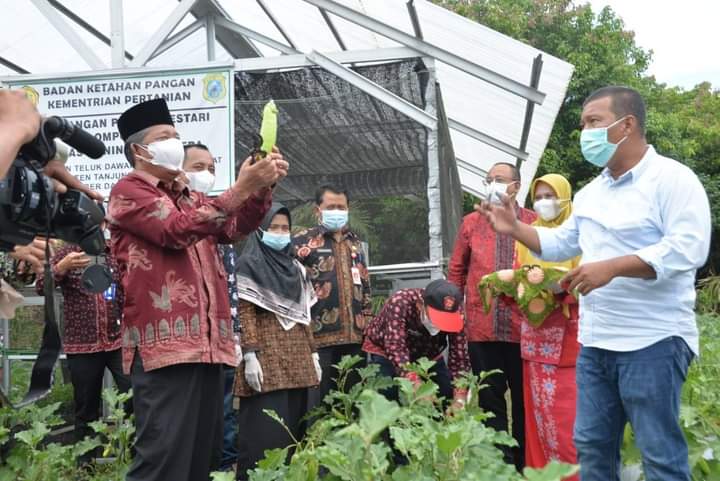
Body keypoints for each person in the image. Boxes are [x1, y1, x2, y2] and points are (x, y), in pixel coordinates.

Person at [482, 86, 711, 481]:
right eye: (583, 123)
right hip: (597, 343)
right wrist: (516, 228)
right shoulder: (592, 193)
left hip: (653, 340)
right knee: (591, 447)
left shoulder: (672, 179)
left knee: (659, 452)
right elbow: (559, 243)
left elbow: (688, 248)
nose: (585, 132)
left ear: (627, 125)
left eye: (594, 122)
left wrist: (612, 267)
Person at [108, 98, 287, 481]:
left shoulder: (191, 197)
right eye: (164, 137)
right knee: (162, 459)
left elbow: (233, 229)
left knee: (201, 460)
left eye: (176, 135)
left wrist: (260, 189)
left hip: (208, 345)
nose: (174, 141)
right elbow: (175, 230)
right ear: (139, 150)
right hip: (165, 351)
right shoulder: (129, 190)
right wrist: (241, 187)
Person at [447, 162, 535, 470]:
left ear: (516, 187)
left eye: (499, 179)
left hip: (525, 328)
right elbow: (457, 269)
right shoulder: (471, 222)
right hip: (482, 328)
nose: (492, 184)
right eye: (489, 179)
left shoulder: (532, 223)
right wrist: (454, 310)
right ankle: (500, 465)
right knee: (491, 399)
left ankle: (526, 465)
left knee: (526, 402)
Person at [233, 203, 320, 481]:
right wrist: (249, 355)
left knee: (294, 434)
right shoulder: (249, 264)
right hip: (266, 360)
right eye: (274, 227)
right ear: (260, 230)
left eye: (285, 228)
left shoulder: (296, 267)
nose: (281, 233)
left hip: (298, 360)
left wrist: (314, 354)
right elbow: (244, 312)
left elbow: (305, 314)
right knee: (264, 436)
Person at [35, 230, 132, 465]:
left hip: (118, 341)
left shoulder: (114, 252)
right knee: (86, 410)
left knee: (136, 399)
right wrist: (61, 268)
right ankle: (85, 467)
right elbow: (40, 286)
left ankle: (137, 464)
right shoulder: (66, 253)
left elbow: (127, 290)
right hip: (82, 345)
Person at [514, 174, 580, 479]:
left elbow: (591, 283)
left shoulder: (579, 235)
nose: (543, 203)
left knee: (566, 426)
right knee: (538, 421)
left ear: (565, 198)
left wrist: (562, 289)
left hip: (568, 343)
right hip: (534, 340)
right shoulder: (528, 237)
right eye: (538, 197)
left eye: (550, 196)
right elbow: (519, 279)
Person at [292, 185, 372, 405]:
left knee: (353, 400)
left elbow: (365, 285)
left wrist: (367, 324)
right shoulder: (301, 242)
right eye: (331, 207)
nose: (337, 211)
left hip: (355, 338)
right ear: (318, 210)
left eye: (341, 207)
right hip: (317, 338)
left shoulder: (355, 243)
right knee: (319, 402)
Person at [362, 279, 471, 409]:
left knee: (444, 392)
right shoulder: (401, 302)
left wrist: (460, 398)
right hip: (386, 349)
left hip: (428, 352)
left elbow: (459, 355)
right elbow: (396, 347)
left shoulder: (456, 312)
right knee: (386, 393)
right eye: (437, 318)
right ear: (420, 305)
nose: (440, 325)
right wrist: (416, 384)